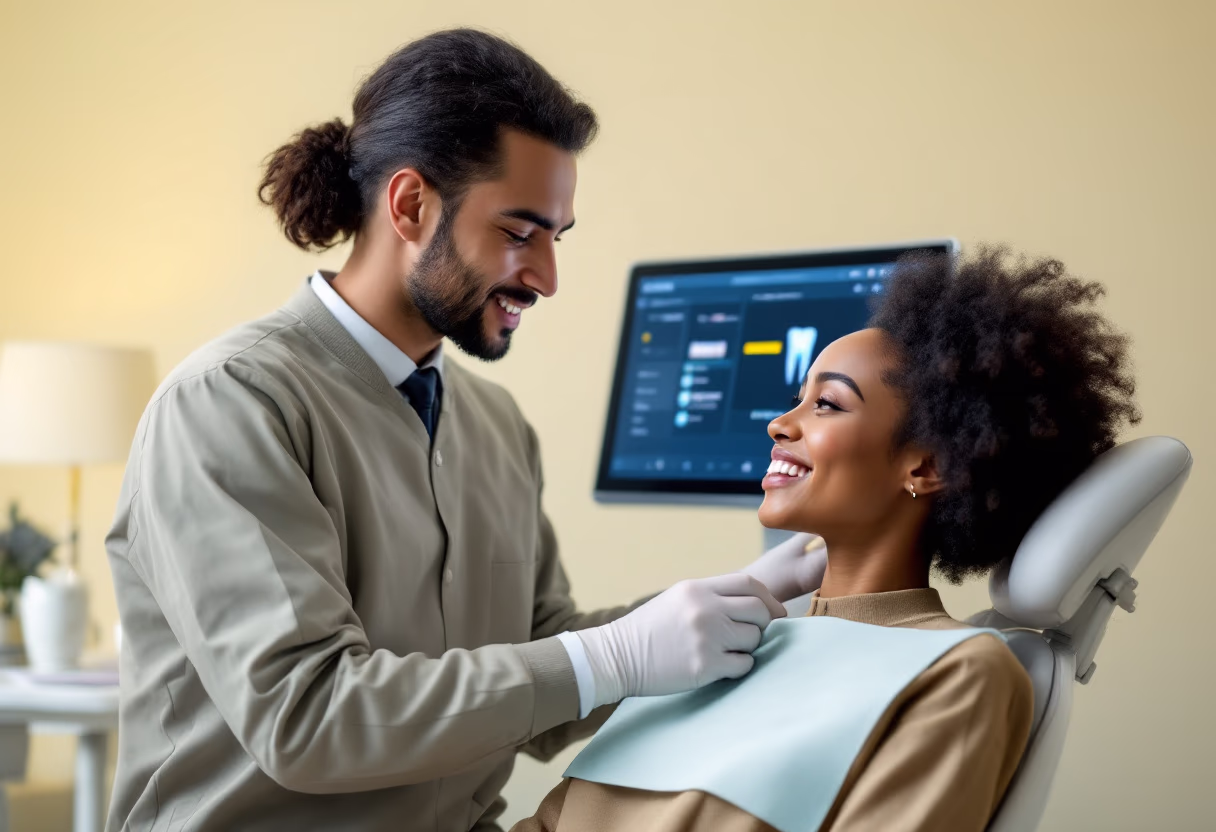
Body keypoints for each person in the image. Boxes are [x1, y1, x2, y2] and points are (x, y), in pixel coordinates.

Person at [103, 29, 820, 832]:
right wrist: (613, 657)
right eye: (519, 234)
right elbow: (305, 719)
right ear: (410, 204)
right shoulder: (231, 404)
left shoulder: (496, 427)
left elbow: (540, 670)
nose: (547, 277)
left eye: (556, 237)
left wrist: (748, 599)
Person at [515, 246, 1141, 832]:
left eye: (829, 406)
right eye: (798, 397)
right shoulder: (711, 645)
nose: (779, 423)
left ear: (928, 467)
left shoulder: (958, 673)